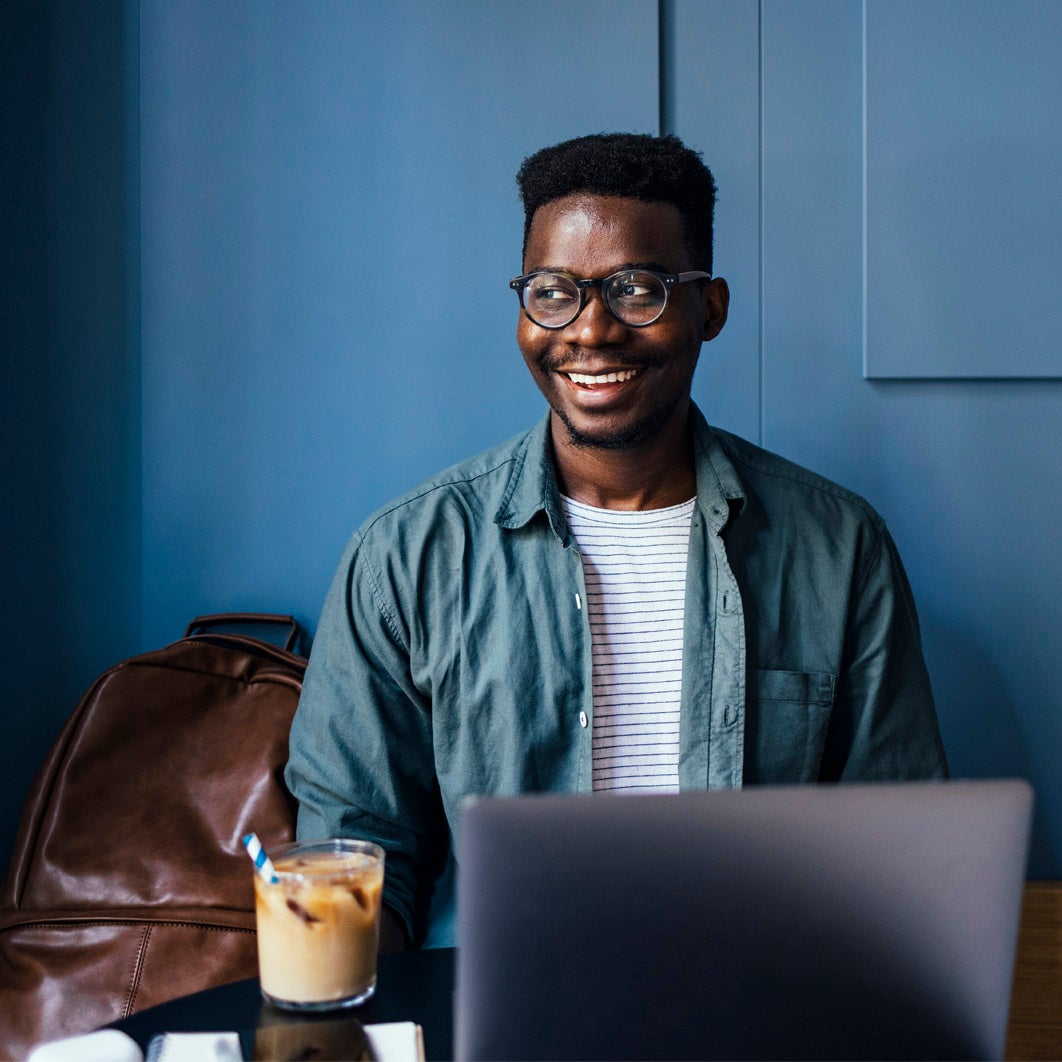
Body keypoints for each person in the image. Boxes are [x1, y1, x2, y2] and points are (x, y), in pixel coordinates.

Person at [285, 132, 947, 951]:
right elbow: (356, 851)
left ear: (710, 308)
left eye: (637, 290)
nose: (590, 331)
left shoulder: (839, 549)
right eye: (552, 291)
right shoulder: (406, 557)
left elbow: (893, 849)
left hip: (750, 1012)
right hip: (496, 1017)